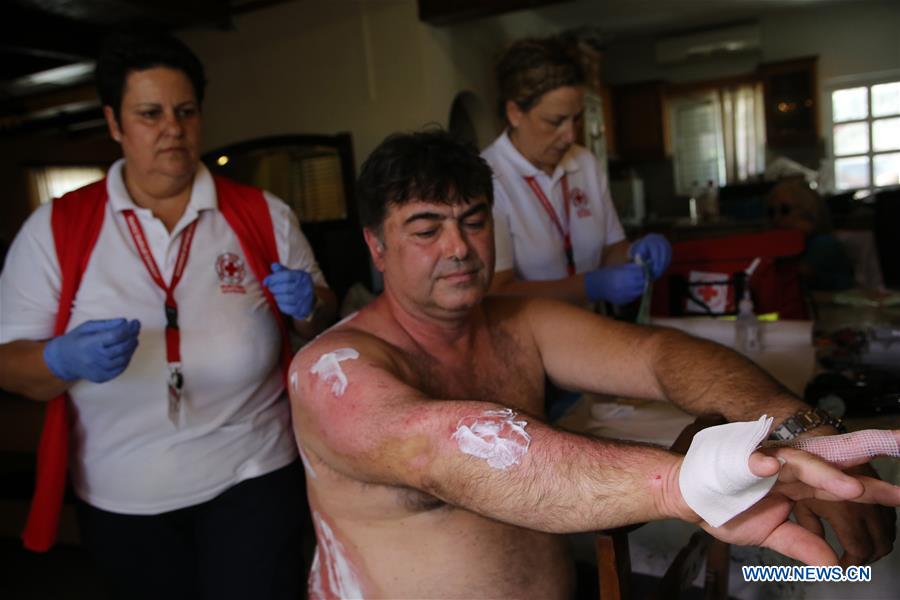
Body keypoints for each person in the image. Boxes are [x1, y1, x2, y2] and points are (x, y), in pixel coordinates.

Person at [287, 130, 899, 598]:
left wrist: (795, 422)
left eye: (473, 222)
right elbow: (440, 450)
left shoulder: (516, 322)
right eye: (426, 230)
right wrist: (687, 484)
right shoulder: (329, 372)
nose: (459, 248)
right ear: (376, 246)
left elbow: (657, 355)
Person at [0, 31, 336, 600]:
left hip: (252, 470)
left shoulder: (262, 213)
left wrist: (310, 306)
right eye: (150, 113)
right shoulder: (55, 229)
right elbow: (8, 364)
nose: (173, 129)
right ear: (114, 122)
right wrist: (59, 359)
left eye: (186, 111)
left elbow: (322, 321)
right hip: (122, 495)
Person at [482, 37, 671, 306]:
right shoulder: (487, 178)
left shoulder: (585, 163)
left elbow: (610, 250)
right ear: (514, 113)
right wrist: (589, 286)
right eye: (556, 121)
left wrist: (634, 253)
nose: (570, 135)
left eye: (576, 118)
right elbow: (497, 292)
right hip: (530, 331)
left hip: (588, 325)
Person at [767, 178, 855, 290]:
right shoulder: (782, 243)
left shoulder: (824, 244)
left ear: (807, 209)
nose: (776, 217)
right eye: (771, 212)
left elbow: (796, 276)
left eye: (785, 210)